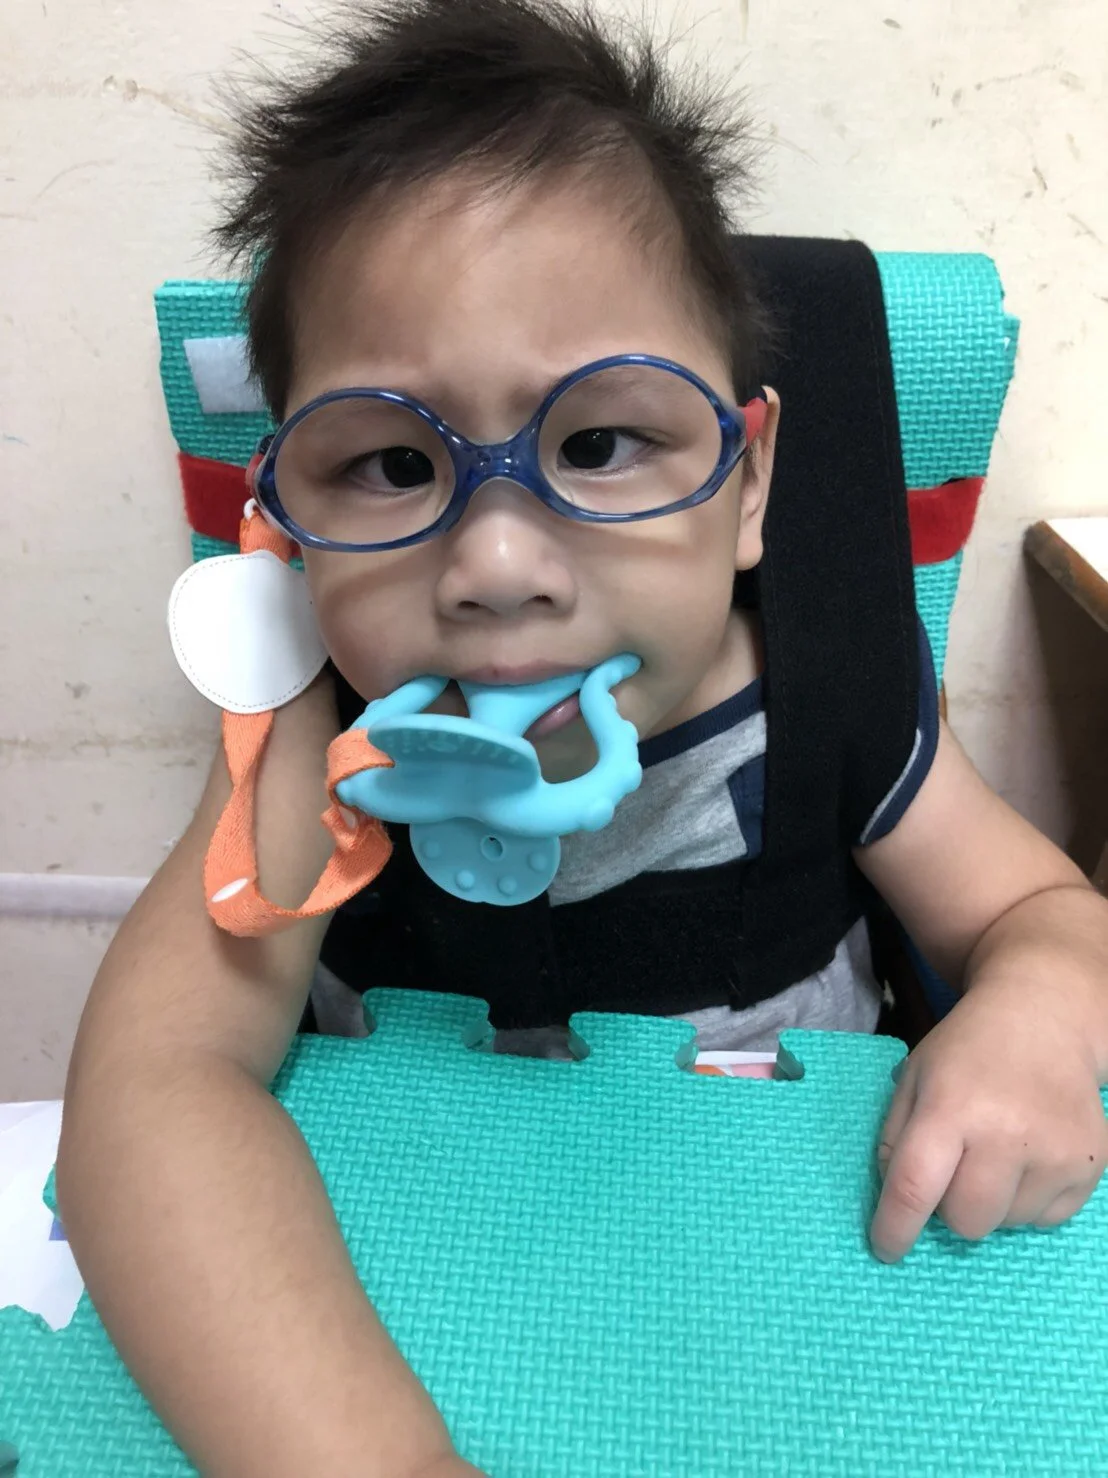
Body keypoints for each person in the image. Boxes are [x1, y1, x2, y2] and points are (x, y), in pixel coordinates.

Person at [55, 2, 1108, 1474]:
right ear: (285, 507)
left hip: (798, 1291)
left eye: (602, 443)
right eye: (390, 461)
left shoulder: (835, 702)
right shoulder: (316, 743)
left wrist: (1042, 1004)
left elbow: (1046, 910)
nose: (498, 564)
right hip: (417, 1272)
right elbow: (149, 1088)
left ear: (747, 486)